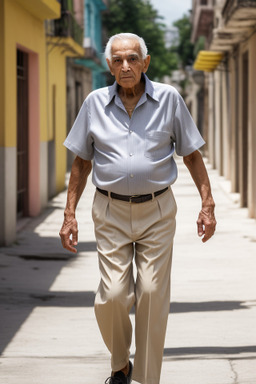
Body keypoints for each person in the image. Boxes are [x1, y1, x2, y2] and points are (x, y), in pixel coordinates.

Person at [59, 33, 216, 384]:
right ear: (109, 65)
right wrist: (69, 214)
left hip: (158, 211)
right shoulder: (94, 103)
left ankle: (146, 380)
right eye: (117, 60)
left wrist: (207, 203)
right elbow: (81, 163)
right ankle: (120, 364)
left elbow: (191, 154)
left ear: (146, 62)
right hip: (110, 210)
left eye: (132, 58)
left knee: (151, 296)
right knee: (113, 295)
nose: (125, 66)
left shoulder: (170, 100)